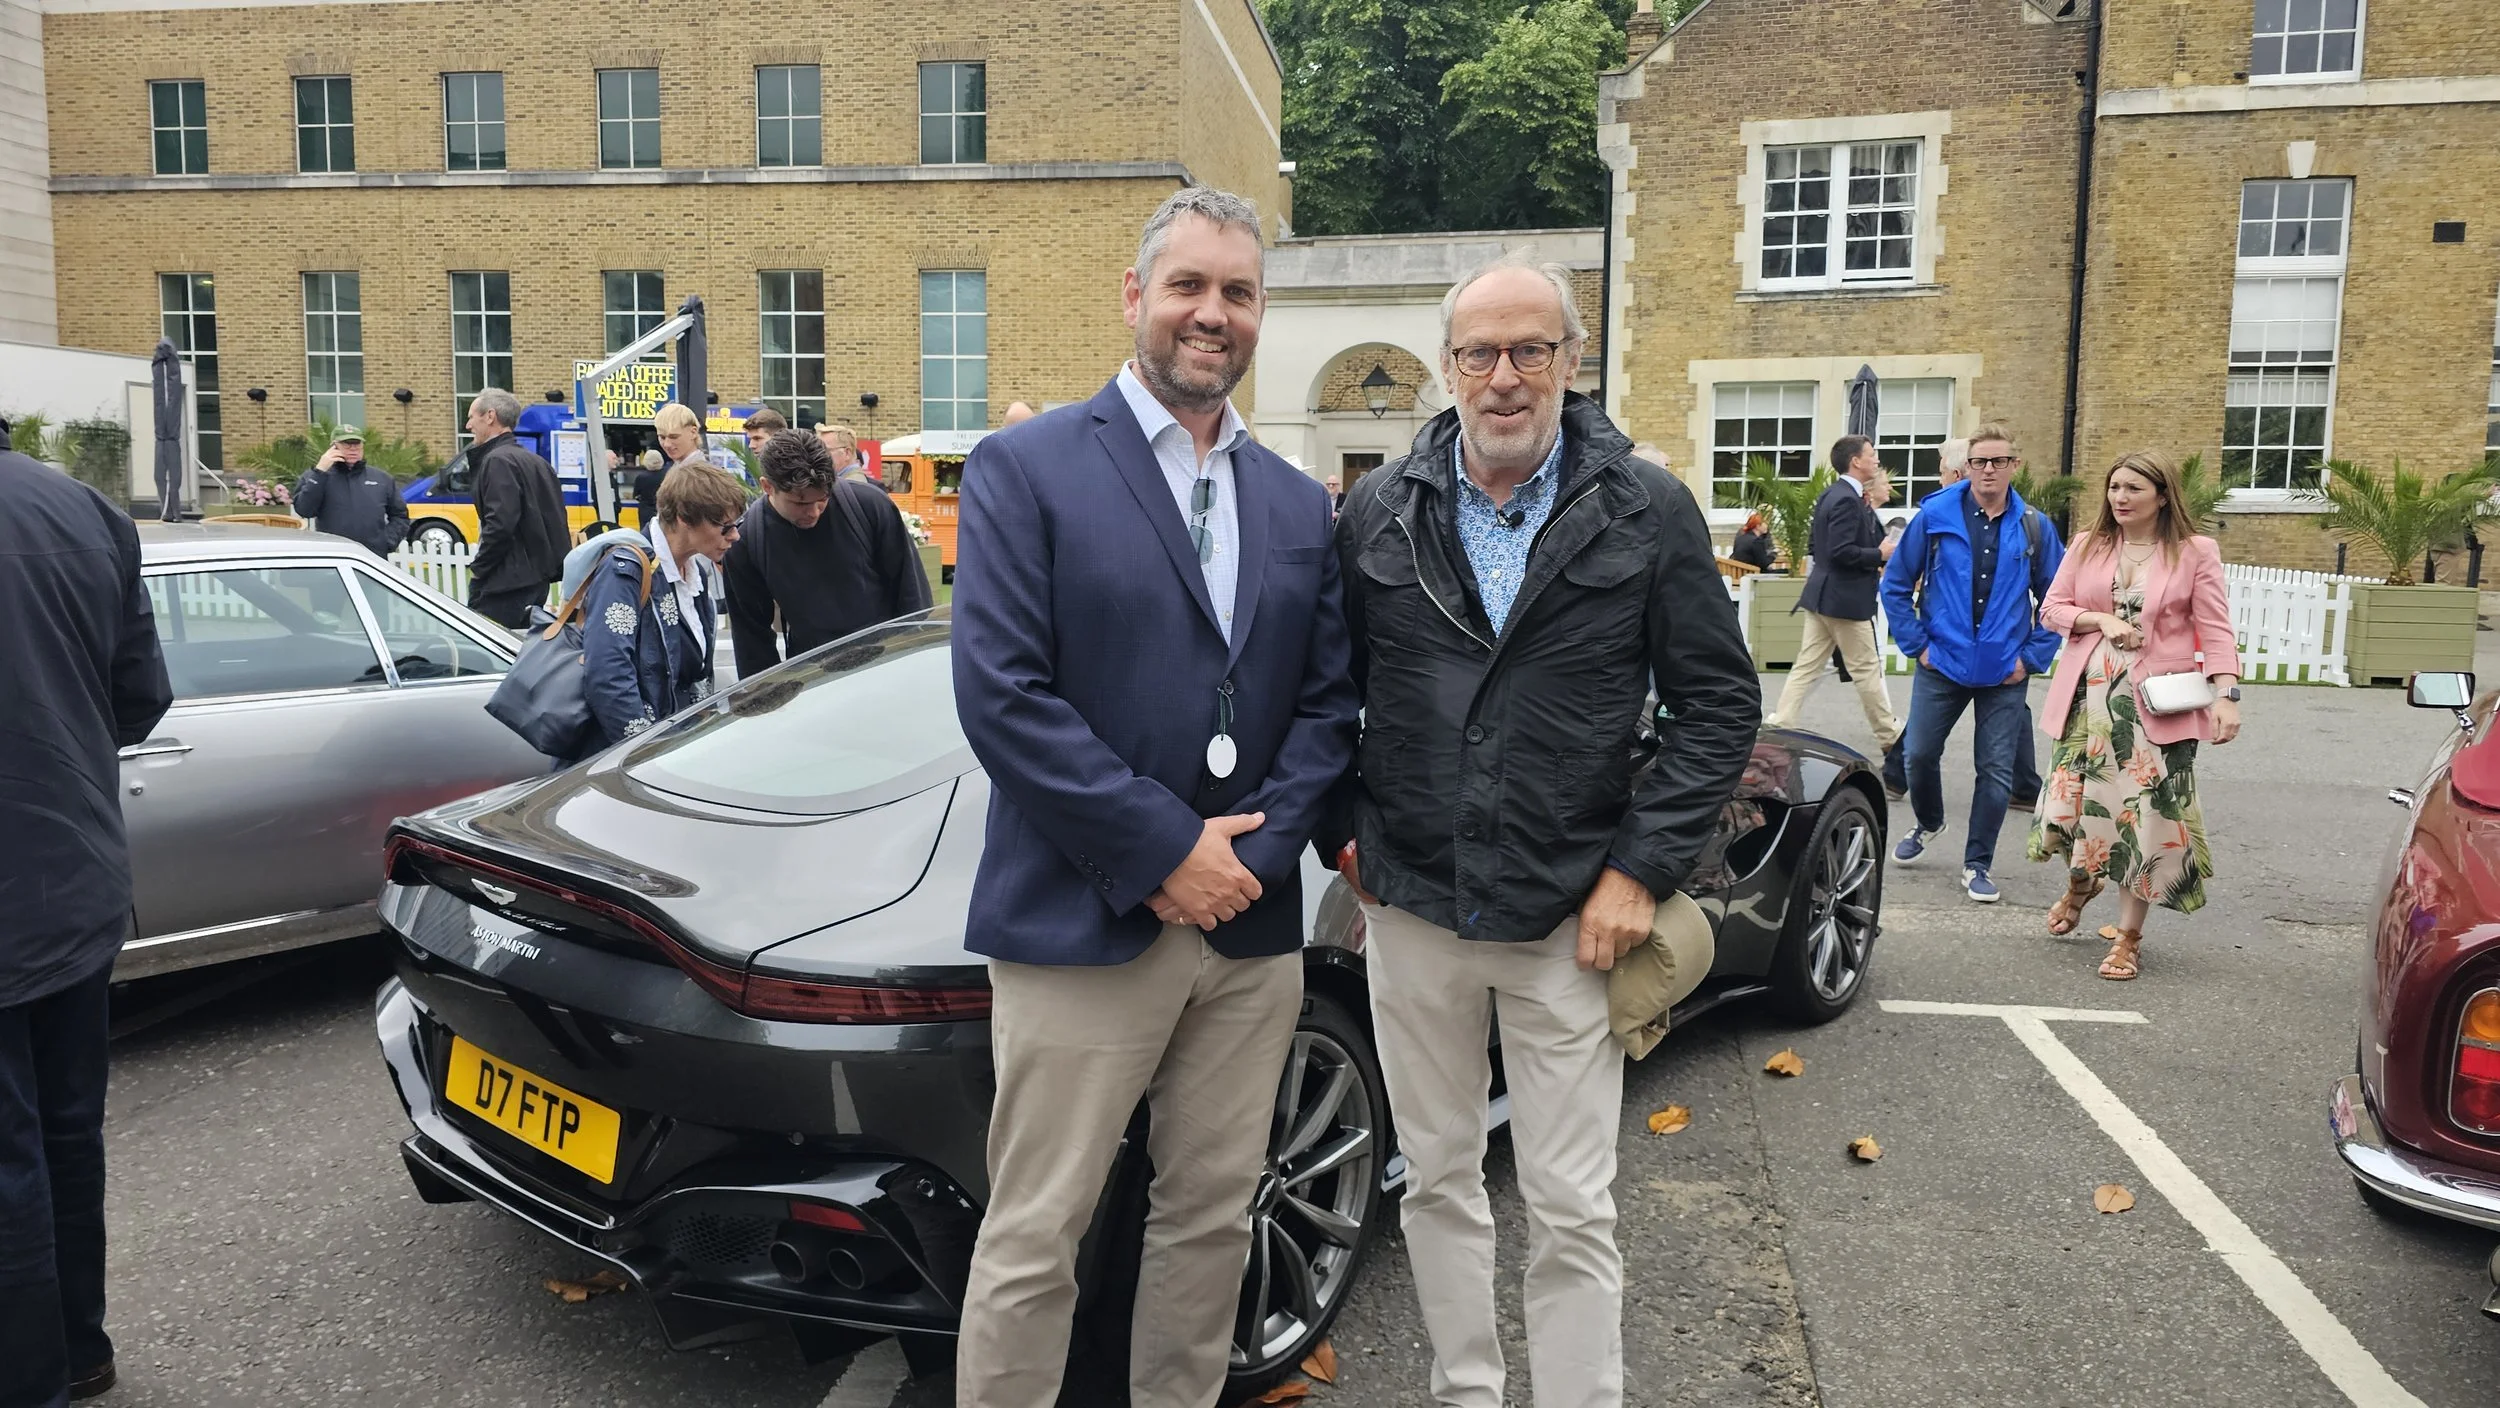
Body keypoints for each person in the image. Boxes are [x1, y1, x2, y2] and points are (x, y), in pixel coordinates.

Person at [949, 186, 1358, 1408]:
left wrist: (1250, 857)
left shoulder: (1294, 501)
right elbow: (1003, 697)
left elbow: (1326, 705)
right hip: (1084, 921)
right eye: (1187, 285)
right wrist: (1163, 847)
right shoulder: (1025, 470)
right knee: (1035, 1236)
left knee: (1213, 1218)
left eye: (1237, 292)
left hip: (1248, 930)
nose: (1210, 313)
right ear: (1134, 297)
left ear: (1259, 314)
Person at [1328, 252, 1758, 1408]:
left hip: (1572, 912)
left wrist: (1639, 868)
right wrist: (1340, 832)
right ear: (1449, 366)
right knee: (1436, 1180)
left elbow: (1719, 703)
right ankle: (1464, 1390)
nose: (1504, 376)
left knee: (1572, 1204)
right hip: (1412, 902)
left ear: (1572, 363)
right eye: (1479, 351)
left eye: (1530, 350)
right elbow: (1331, 686)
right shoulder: (1380, 505)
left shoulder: (1644, 505)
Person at [0, 443, 171, 1407]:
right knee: (67, 1135)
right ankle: (78, 1349)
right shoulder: (85, 512)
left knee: (14, 1159)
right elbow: (140, 698)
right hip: (75, 875)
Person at [2029, 450, 2241, 980]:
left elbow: (2214, 628)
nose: (2120, 498)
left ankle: (2128, 936)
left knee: (2142, 821)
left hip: (2154, 709)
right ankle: (2081, 885)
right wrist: (2099, 618)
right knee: (2073, 811)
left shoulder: (2195, 552)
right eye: (2114, 488)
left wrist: (2225, 695)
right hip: (2087, 701)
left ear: (2163, 496)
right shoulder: (2089, 544)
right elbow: (2051, 608)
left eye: (2133, 490)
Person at [1880, 423, 2064, 904]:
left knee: (1996, 770)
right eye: (1980, 461)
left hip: (2005, 671)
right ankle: (1929, 822)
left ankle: (1977, 863)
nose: (1988, 470)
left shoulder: (2034, 527)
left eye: (1998, 461)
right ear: (1967, 467)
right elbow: (1896, 585)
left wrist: (2030, 659)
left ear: (2013, 466)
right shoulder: (1935, 517)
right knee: (1918, 754)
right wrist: (1918, 645)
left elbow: (2059, 599)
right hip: (1940, 663)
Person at [722, 429, 932, 678]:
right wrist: (766, 705)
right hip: (814, 678)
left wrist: (918, 667)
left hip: (887, 667)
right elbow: (751, 641)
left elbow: (912, 595)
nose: (813, 512)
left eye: (822, 498)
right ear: (767, 486)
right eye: (800, 503)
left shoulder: (869, 506)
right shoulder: (747, 541)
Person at [573, 460, 744, 756]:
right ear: (683, 518)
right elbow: (607, 675)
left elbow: (696, 677)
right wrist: (644, 755)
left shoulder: (695, 573)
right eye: (724, 526)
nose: (734, 536)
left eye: (736, 525)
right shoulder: (625, 571)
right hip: (629, 762)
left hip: (678, 752)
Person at [1764, 435, 1906, 792]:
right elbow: (1842, 551)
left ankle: (1780, 726)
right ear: (1856, 461)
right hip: (1843, 601)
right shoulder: (1845, 498)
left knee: (1807, 666)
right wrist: (1880, 555)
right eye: (1872, 455)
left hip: (1825, 595)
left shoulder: (1833, 495)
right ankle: (1892, 739)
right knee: (1866, 670)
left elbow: (1818, 547)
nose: (1876, 461)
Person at [463, 389, 571, 628]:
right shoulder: (536, 462)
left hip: (505, 582)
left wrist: (479, 568)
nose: (468, 424)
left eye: (472, 417)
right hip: (536, 580)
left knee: (489, 651)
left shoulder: (497, 461)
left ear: (490, 416)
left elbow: (500, 523)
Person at [289, 427, 409, 557]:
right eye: (347, 444)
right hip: (333, 555)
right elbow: (304, 510)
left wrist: (386, 542)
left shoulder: (381, 478)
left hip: (373, 556)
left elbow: (400, 515)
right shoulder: (316, 476)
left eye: (357, 444)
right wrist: (320, 471)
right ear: (333, 447)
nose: (353, 449)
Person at [814, 423, 881, 490]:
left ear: (847, 453)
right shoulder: (849, 484)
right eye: (817, 450)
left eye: (825, 450)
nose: (818, 455)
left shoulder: (851, 488)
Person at [631, 448, 667, 523]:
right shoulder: (668, 474)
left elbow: (636, 495)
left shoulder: (641, 477)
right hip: (664, 509)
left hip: (646, 511)